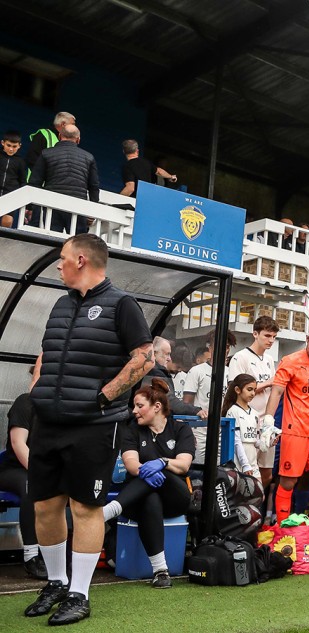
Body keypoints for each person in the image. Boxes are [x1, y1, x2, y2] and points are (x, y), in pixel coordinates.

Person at [27, 233, 154, 624]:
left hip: (94, 426)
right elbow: (47, 353)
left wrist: (104, 397)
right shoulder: (61, 304)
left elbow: (145, 359)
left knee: (85, 507)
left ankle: (79, 595)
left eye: (63, 258)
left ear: (81, 259)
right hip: (49, 421)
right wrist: (38, 391)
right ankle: (56, 583)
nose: (58, 264)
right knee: (46, 506)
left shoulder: (122, 304)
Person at [102, 380, 195, 589]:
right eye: (134, 406)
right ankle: (161, 571)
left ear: (157, 406)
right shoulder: (132, 430)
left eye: (139, 406)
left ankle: (111, 510)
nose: (134, 411)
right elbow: (131, 464)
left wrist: (162, 462)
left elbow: (183, 466)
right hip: (139, 501)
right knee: (150, 498)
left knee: (165, 472)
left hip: (175, 497)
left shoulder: (180, 429)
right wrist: (145, 470)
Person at [261, 324, 309, 524]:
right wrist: (268, 421)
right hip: (294, 432)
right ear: (307, 338)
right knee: (288, 481)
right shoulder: (290, 361)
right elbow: (277, 392)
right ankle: (282, 526)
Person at [0, 368, 46, 579]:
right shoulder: (24, 402)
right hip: (14, 470)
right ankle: (30, 556)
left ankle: (54, 553)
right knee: (32, 484)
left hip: (44, 470)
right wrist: (41, 473)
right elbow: (18, 444)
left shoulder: (55, 409)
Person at [227, 316, 279, 486]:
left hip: (266, 421)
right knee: (245, 469)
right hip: (245, 420)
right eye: (267, 335)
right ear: (255, 334)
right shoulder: (240, 357)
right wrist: (268, 382)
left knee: (266, 473)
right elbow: (234, 389)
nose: (270, 340)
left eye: (273, 336)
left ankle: (258, 510)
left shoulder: (270, 360)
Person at [27, 124, 98, 233]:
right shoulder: (89, 157)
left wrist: (30, 207)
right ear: (78, 139)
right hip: (78, 207)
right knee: (77, 243)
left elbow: (35, 182)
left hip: (51, 205)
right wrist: (92, 212)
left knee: (50, 241)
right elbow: (93, 186)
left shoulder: (46, 153)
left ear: (60, 136)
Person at [183, 330, 237, 466]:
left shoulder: (231, 372)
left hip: (223, 427)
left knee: (221, 469)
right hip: (200, 428)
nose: (224, 350)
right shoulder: (197, 371)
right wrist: (187, 430)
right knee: (198, 467)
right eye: (219, 345)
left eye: (227, 347)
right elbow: (186, 403)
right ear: (210, 346)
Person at [138, 336, 204, 418]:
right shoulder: (154, 374)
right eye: (167, 354)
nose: (169, 359)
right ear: (154, 354)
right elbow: (168, 401)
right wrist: (195, 410)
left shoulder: (154, 372)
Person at [221, 374, 260, 478]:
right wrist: (245, 465)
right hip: (239, 463)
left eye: (254, 390)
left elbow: (255, 441)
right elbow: (236, 441)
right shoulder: (233, 411)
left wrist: (269, 442)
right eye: (249, 389)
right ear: (238, 390)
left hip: (253, 463)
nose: (253, 393)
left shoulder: (255, 413)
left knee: (259, 493)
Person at [1, 130, 28, 228]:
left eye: (14, 146)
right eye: (8, 145)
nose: (11, 149)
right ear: (2, 143)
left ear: (19, 146)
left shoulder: (20, 161)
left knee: (7, 221)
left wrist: (24, 200)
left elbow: (23, 181)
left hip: (10, 195)